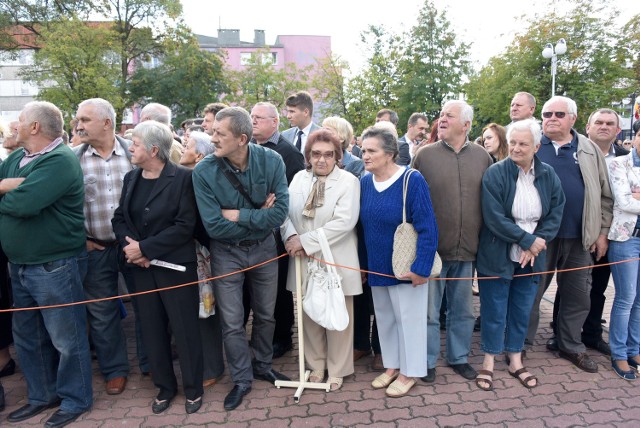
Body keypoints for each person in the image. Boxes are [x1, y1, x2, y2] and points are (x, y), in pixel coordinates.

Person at [192, 107, 290, 411]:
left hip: (263, 249)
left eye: (220, 133)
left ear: (242, 138)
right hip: (226, 252)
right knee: (232, 322)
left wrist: (240, 214)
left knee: (266, 314)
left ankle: (262, 364)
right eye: (213, 132)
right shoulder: (204, 171)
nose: (212, 137)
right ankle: (242, 379)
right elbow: (213, 225)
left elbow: (280, 213)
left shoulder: (272, 160)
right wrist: (258, 214)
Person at [1, 101, 92, 427]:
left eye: (21, 120)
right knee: (27, 337)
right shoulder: (15, 158)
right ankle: (43, 396)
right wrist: (6, 186)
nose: (15, 124)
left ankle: (75, 399)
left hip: (55, 265)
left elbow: (26, 205)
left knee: (66, 339)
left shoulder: (59, 161)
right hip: (21, 264)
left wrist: (4, 190)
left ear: (35, 127)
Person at [112, 120, 204, 415]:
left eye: (135, 143)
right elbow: (119, 218)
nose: (130, 148)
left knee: (185, 330)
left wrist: (145, 248)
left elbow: (185, 226)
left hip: (176, 268)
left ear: (153, 150)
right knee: (151, 329)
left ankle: (193, 388)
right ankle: (165, 388)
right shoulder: (131, 178)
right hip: (140, 269)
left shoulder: (183, 179)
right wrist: (132, 249)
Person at [475, 119, 565, 391]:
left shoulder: (548, 174)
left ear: (536, 146)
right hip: (497, 252)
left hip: (534, 255)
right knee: (494, 309)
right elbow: (494, 217)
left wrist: (536, 243)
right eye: (512, 142)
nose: (516, 148)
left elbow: (556, 211)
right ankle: (488, 360)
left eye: (523, 144)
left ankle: (515, 358)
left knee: (522, 308)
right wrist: (527, 240)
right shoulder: (495, 173)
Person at [525, 96, 613, 373]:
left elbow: (605, 196)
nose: (551, 118)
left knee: (577, 296)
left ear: (573, 118)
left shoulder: (588, 149)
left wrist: (602, 233)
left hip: (579, 238)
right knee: (530, 293)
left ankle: (570, 345)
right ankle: (519, 345)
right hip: (539, 239)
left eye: (559, 114)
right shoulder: (531, 145)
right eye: (547, 113)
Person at [413, 100, 493, 383]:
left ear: (467, 125)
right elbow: (411, 201)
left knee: (462, 311)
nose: (442, 119)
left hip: (468, 249)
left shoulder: (483, 157)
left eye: (450, 115)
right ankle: (427, 360)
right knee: (429, 313)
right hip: (433, 251)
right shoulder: (424, 156)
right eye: (441, 114)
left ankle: (458, 358)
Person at [359, 125, 438, 397]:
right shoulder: (365, 182)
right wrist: (363, 265)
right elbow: (362, 228)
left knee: (410, 320)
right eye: (362, 149)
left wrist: (421, 268)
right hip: (377, 266)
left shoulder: (411, 180)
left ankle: (410, 372)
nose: (364, 155)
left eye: (371, 150)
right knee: (385, 319)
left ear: (390, 153)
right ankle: (392, 366)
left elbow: (428, 226)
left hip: (407, 267)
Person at [281, 128, 362, 391]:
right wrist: (292, 238)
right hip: (302, 258)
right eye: (316, 154)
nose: (322, 160)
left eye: (329, 155)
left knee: (337, 312)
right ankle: (316, 364)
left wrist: (305, 242)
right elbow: (285, 214)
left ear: (338, 156)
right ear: (308, 156)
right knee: (309, 312)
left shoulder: (349, 181)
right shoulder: (298, 179)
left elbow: (344, 222)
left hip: (335, 257)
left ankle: (338, 369)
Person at [73, 98, 132, 395]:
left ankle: (150, 363)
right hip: (95, 247)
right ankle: (114, 370)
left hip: (135, 248)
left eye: (84, 119)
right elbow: (64, 208)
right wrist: (81, 240)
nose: (78, 125)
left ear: (107, 123)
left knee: (147, 305)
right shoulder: (72, 159)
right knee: (101, 311)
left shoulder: (136, 152)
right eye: (78, 119)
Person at [250, 102, 305, 358]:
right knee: (258, 288)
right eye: (251, 117)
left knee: (280, 289)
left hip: (279, 231)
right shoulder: (249, 148)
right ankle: (263, 335)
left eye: (259, 118)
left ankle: (283, 337)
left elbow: (292, 196)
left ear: (275, 122)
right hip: (254, 229)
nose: (253, 122)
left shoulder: (287, 152)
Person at [579, 108, 628, 356]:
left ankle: (592, 334)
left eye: (610, 123)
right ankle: (560, 333)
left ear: (618, 130)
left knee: (598, 287)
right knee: (572, 285)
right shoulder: (575, 152)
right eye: (598, 122)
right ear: (588, 127)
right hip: (579, 230)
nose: (604, 126)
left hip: (612, 234)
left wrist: (603, 233)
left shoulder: (626, 158)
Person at [177, 130, 224, 388]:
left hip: (203, 255)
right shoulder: (187, 177)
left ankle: (212, 367)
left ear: (199, 154)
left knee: (207, 310)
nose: (182, 148)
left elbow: (205, 222)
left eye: (188, 145)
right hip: (188, 255)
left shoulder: (203, 179)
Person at [606, 124, 640, 380]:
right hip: (626, 237)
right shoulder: (618, 163)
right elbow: (624, 201)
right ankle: (618, 353)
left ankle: (633, 349)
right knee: (626, 297)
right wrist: (632, 197)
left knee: (639, 300)